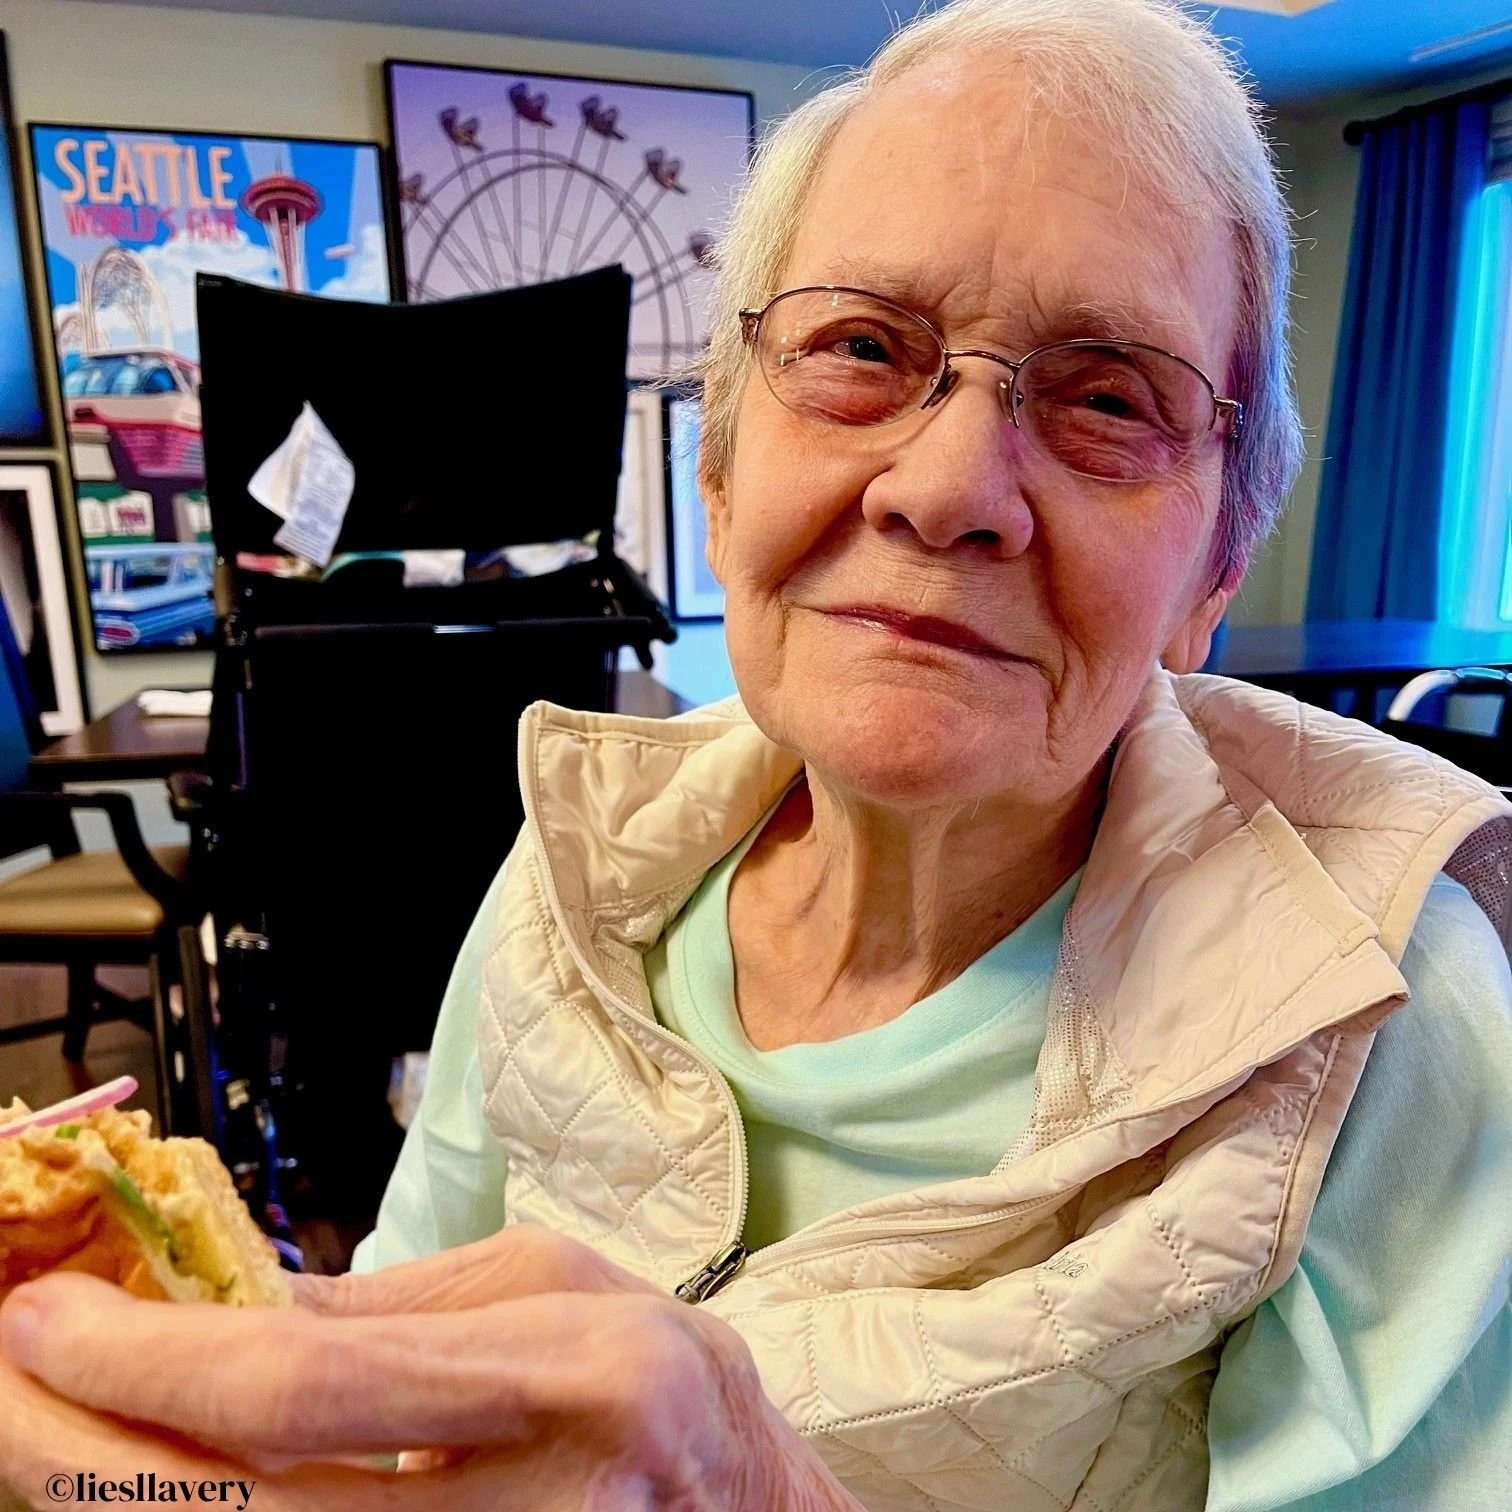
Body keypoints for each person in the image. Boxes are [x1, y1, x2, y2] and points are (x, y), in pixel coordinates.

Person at [3, 0, 1509, 1507]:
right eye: (861, 346)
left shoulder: (1385, 1013)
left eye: (1110, 397)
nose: (947, 488)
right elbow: (397, 1337)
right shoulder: (583, 863)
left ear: (1215, 570)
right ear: (719, 476)